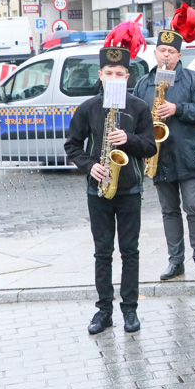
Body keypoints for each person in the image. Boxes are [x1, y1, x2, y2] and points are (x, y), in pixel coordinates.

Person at [64, 25, 157, 334]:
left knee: (130, 251)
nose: (114, 77)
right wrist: (90, 165)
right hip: (98, 189)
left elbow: (150, 146)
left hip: (129, 188)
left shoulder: (139, 107)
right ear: (100, 75)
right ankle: (103, 311)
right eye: (109, 72)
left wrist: (127, 139)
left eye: (120, 73)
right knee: (102, 252)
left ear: (127, 77)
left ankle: (130, 310)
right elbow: (72, 146)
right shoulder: (88, 108)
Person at [134, 29, 195, 282]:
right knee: (169, 211)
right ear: (155, 52)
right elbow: (136, 115)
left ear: (178, 54)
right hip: (159, 157)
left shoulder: (191, 79)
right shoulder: (144, 82)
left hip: (188, 154)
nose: (166, 56)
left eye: (171, 52)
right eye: (162, 51)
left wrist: (177, 108)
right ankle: (175, 261)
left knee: (194, 208)